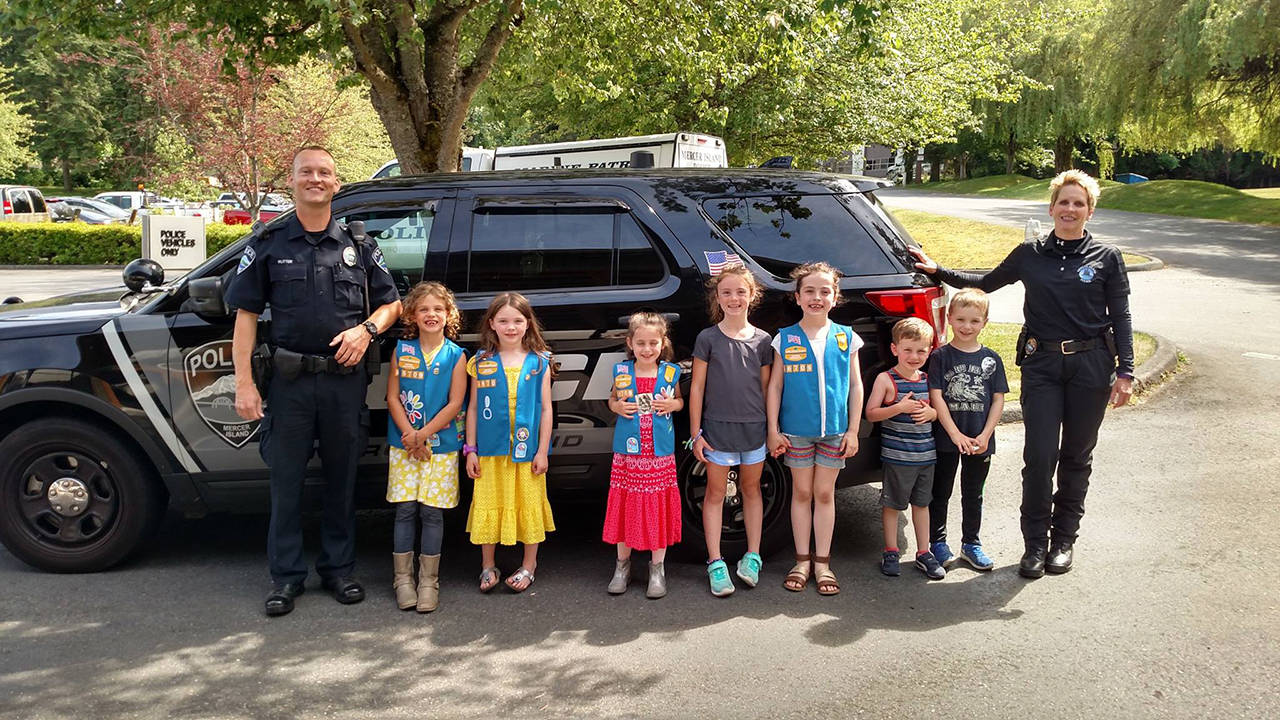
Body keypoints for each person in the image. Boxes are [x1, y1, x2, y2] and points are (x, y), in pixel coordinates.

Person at [910, 169, 1134, 578]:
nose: (1070, 209)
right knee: (1040, 456)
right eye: (1063, 202)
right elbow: (984, 282)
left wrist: (1126, 371)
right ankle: (1034, 544)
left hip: (1091, 365)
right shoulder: (1030, 254)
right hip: (1042, 365)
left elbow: (1121, 316)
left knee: (1076, 456)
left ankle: (1063, 541)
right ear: (1051, 208)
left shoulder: (1107, 257)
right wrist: (938, 270)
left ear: (1090, 211)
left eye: (1079, 203)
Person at [226, 146, 401, 616]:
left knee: (343, 480)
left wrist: (366, 331)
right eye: (307, 172)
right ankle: (286, 577)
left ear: (336, 184)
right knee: (286, 483)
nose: (316, 179)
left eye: (325, 172)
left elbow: (392, 304)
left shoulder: (360, 245)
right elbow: (245, 316)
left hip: (344, 383)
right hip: (290, 384)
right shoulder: (269, 243)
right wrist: (244, 383)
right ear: (293, 181)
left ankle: (339, 570)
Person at [765, 262, 864, 596]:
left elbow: (855, 385)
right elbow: (775, 386)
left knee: (824, 494)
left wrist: (853, 430)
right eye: (809, 291)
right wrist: (773, 429)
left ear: (835, 298)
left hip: (835, 432)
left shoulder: (846, 337)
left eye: (824, 291)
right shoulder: (785, 338)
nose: (816, 297)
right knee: (802, 493)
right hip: (796, 432)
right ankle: (802, 561)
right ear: (797, 297)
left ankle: (822, 563)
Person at [688, 264, 774, 597]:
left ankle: (753, 556)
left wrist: (772, 430)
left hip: (754, 432)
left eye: (741, 292)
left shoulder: (763, 341)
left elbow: (767, 389)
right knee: (714, 493)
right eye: (726, 292)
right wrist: (696, 433)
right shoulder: (707, 338)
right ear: (718, 298)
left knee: (752, 491)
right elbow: (697, 388)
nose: (734, 298)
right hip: (716, 433)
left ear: (752, 295)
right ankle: (715, 561)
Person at [464, 292, 555, 593]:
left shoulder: (539, 362)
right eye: (503, 321)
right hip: (491, 452)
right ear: (492, 323)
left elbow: (546, 409)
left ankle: (529, 565)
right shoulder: (481, 362)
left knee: (528, 503)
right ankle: (487, 565)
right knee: (489, 502)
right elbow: (473, 408)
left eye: (517, 320)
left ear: (528, 323)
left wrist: (543, 451)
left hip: (527, 453)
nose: (511, 327)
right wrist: (471, 450)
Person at [385, 282, 467, 612]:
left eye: (437, 309)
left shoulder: (456, 356)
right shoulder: (402, 351)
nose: (431, 314)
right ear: (412, 316)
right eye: (423, 309)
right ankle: (402, 580)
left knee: (432, 513)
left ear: (449, 315)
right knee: (405, 510)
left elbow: (455, 402)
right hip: (404, 444)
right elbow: (392, 397)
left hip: (440, 447)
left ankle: (428, 581)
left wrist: (423, 436)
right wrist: (410, 434)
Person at [603, 312, 684, 599]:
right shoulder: (622, 372)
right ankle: (622, 566)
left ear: (663, 343)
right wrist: (616, 407)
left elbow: (680, 400)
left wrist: (673, 404)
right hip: (629, 455)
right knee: (626, 505)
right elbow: (612, 399)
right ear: (630, 343)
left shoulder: (670, 372)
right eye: (640, 343)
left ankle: (657, 568)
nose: (647, 349)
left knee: (657, 507)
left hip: (659, 454)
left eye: (653, 343)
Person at [926, 289, 1007, 572]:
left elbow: (998, 399)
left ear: (985, 322)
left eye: (974, 321)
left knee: (974, 493)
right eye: (960, 319)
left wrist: (985, 435)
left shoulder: (991, 359)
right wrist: (954, 434)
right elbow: (936, 396)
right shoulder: (940, 356)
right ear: (949, 318)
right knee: (941, 491)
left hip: (979, 440)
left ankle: (971, 543)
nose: (967, 326)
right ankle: (937, 542)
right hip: (946, 438)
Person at [865, 317, 944, 580]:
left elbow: (937, 411)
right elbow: (871, 413)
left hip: (926, 456)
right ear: (894, 349)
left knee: (922, 504)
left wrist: (932, 414)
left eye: (921, 351)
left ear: (930, 350)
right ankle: (891, 550)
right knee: (893, 505)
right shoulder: (886, 379)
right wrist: (898, 407)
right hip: (897, 457)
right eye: (907, 350)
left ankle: (923, 552)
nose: (914, 356)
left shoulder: (927, 379)